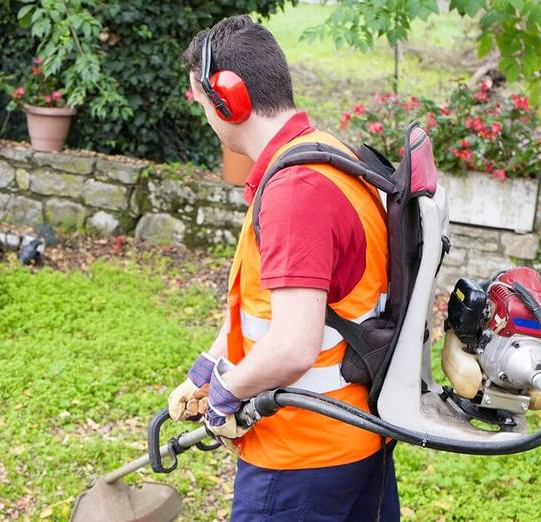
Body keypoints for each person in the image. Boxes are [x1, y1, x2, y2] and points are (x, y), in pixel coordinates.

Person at [168, 15, 400, 522]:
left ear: (230, 101)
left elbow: (293, 346)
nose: (206, 117)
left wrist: (226, 395)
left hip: (302, 455)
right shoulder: (326, 155)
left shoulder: (297, 192)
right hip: (356, 438)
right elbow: (277, 311)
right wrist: (207, 368)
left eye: (203, 103)